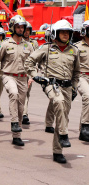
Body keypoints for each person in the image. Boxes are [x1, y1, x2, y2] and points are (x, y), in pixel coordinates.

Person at [24, 20, 80, 163]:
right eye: (62, 32)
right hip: (51, 84)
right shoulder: (47, 48)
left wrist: (74, 88)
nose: (65, 34)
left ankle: (57, 151)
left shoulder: (74, 50)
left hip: (67, 87)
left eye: (67, 32)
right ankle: (64, 134)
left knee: (63, 117)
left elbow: (77, 72)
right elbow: (29, 62)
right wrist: (36, 76)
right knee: (58, 101)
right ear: (55, 33)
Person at [0, 15, 33, 146]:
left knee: (21, 108)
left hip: (22, 78)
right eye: (18, 27)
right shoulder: (5, 44)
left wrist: (31, 77)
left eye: (22, 27)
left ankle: (16, 135)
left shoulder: (29, 46)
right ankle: (14, 122)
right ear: (12, 28)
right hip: (8, 76)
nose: (20, 30)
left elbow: (33, 64)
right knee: (13, 93)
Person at [22, 21, 39, 125]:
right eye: (25, 30)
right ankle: (21, 112)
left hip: (30, 71)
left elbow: (37, 57)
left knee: (26, 93)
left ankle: (24, 114)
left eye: (28, 30)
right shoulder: (19, 41)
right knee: (19, 94)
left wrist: (34, 73)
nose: (27, 32)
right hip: (19, 71)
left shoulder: (34, 43)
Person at [75, 20, 89, 142]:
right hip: (81, 76)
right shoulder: (77, 47)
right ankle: (85, 126)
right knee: (88, 96)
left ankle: (82, 131)